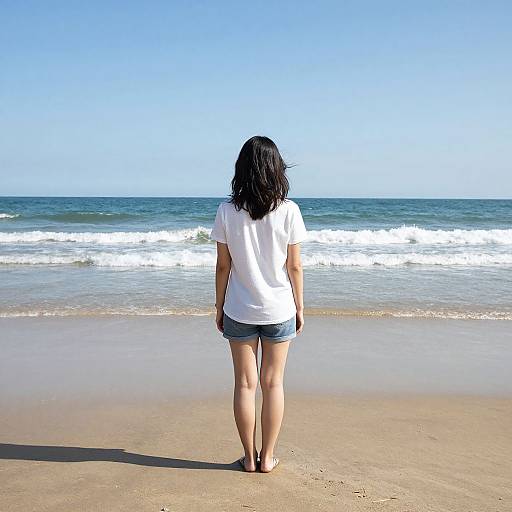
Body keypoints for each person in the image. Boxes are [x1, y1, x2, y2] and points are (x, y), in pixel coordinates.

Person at [210, 135, 307, 473]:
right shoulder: (289, 210)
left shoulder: (226, 211)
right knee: (273, 384)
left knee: (244, 385)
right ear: (276, 169)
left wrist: (218, 307)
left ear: (242, 169)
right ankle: (268, 458)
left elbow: (224, 266)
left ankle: (248, 458)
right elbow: (294, 266)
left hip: (239, 307)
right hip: (279, 307)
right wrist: (300, 307)